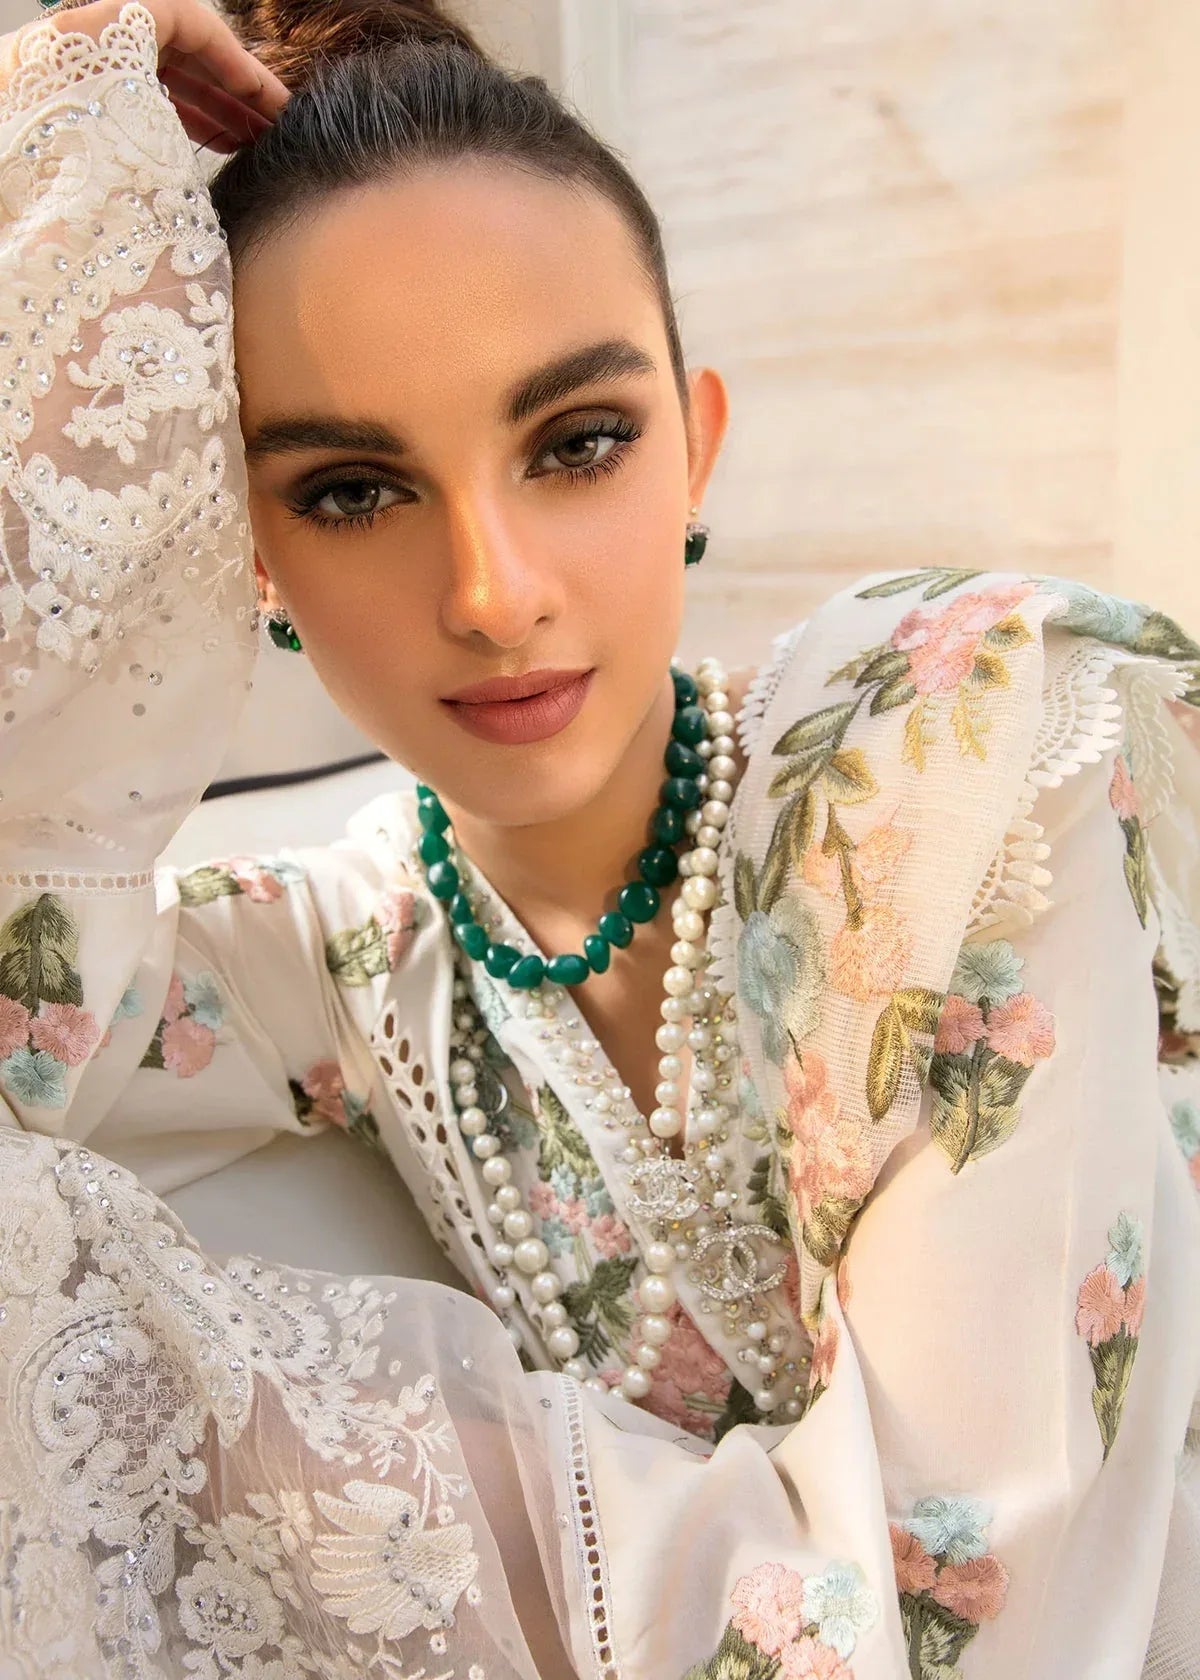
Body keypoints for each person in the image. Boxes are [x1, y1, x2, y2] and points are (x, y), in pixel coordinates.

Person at [0, 0, 1197, 1673]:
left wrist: (349, 1475)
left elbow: (985, 1625)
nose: (495, 595)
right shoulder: (342, 955)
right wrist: (56, 170)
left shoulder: (958, 758)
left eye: (577, 444)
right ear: (245, 556)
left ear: (695, 445)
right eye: (352, 489)